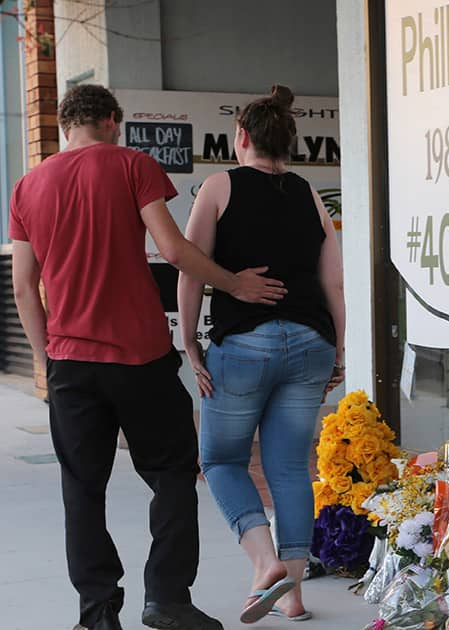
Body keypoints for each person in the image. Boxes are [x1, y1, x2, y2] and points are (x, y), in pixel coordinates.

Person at [10, 85, 287, 630]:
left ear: (67, 126)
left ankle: (96, 615)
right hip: (139, 358)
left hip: (71, 364)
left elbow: (24, 287)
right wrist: (235, 285)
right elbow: (175, 249)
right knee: (173, 474)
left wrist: (49, 362)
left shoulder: (27, 187)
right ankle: (166, 598)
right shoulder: (133, 164)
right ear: (113, 120)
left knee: (82, 491)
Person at [177, 84, 346, 624]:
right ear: (288, 143)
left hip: (245, 343)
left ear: (242, 137)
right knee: (291, 468)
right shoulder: (310, 195)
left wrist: (190, 342)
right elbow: (334, 285)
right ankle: (293, 596)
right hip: (311, 342)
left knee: (220, 459)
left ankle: (265, 562)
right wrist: (338, 355)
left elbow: (191, 269)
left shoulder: (218, 186)